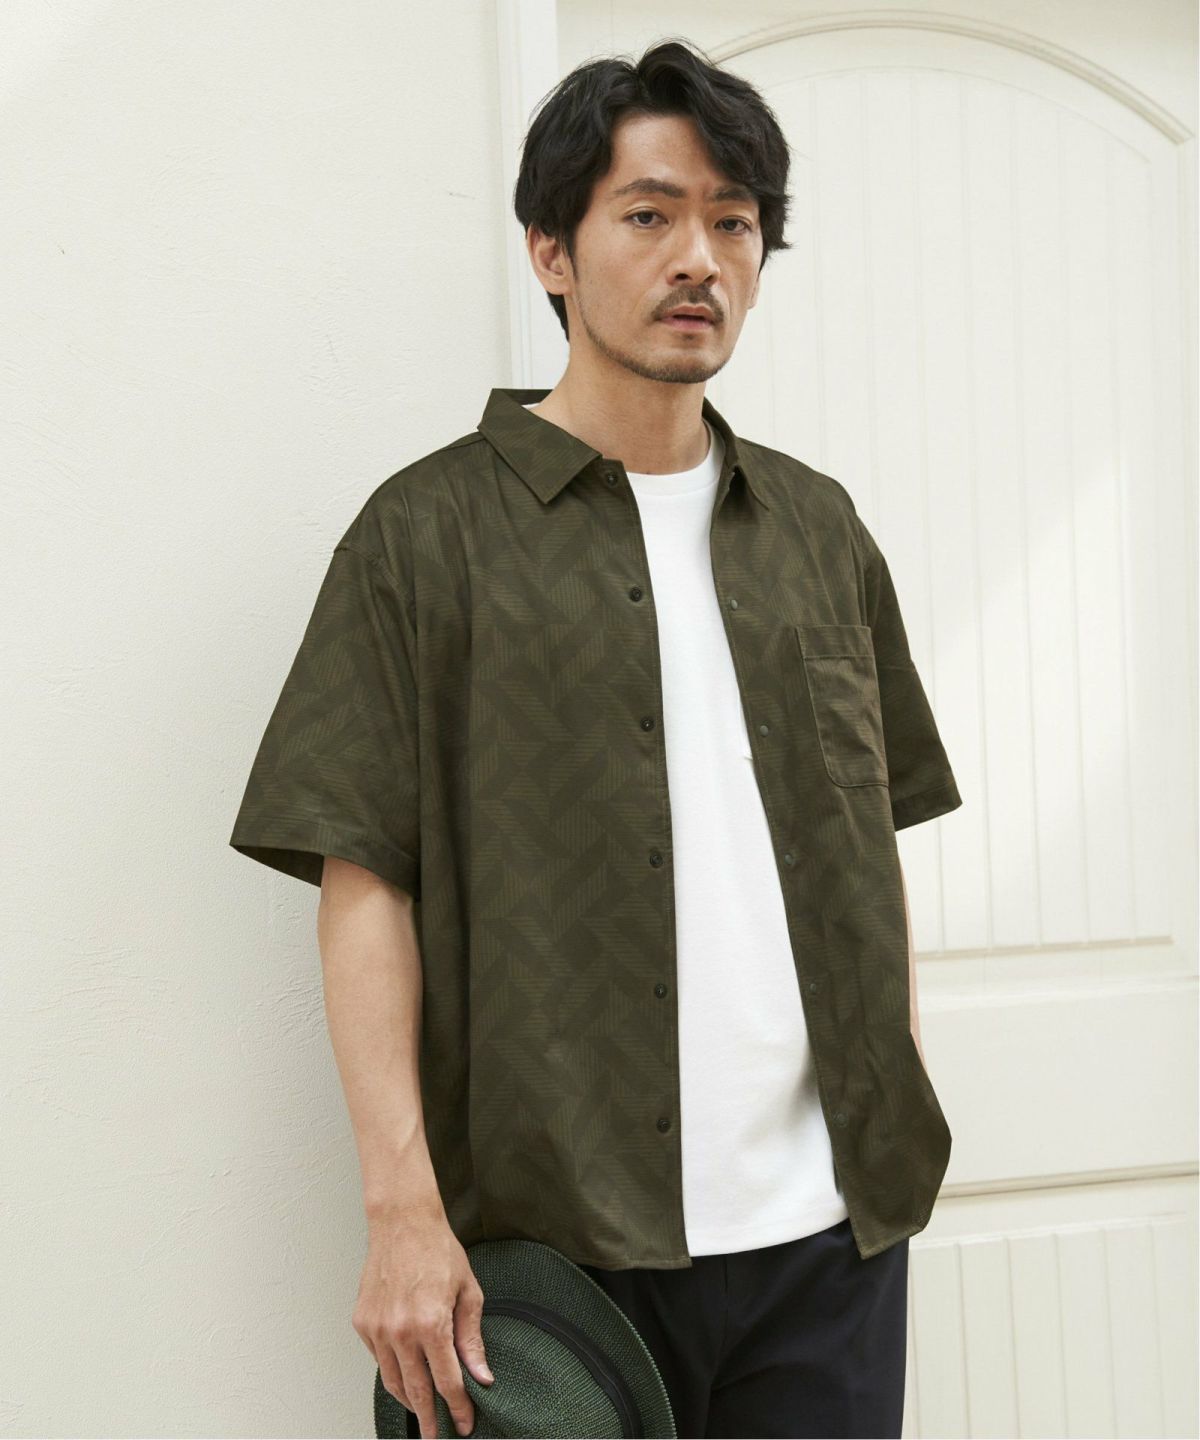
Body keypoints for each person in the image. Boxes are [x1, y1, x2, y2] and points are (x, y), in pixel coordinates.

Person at [229, 35, 961, 1440]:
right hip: (560, 1261)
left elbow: (868, 845)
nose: (700, 259)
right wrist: (399, 1211)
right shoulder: (425, 538)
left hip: (831, 1244)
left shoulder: (818, 531)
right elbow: (363, 880)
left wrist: (900, 1097)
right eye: (650, 215)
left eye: (734, 224)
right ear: (551, 252)